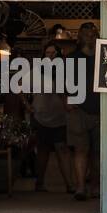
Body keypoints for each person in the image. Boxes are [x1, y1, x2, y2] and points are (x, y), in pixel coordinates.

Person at [28, 41, 74, 193]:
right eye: (47, 53)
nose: (51, 56)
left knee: (62, 149)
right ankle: (39, 183)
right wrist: (28, 107)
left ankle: (70, 185)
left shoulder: (66, 71)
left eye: (53, 53)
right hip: (41, 116)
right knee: (42, 151)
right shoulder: (36, 71)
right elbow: (19, 87)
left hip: (60, 116)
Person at [67, 21, 101, 200]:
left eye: (93, 34)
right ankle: (80, 188)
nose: (90, 37)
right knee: (81, 150)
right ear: (79, 36)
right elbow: (60, 85)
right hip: (78, 110)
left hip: (100, 110)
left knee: (98, 152)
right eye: (87, 34)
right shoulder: (72, 58)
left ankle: (95, 187)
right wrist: (65, 100)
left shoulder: (104, 59)